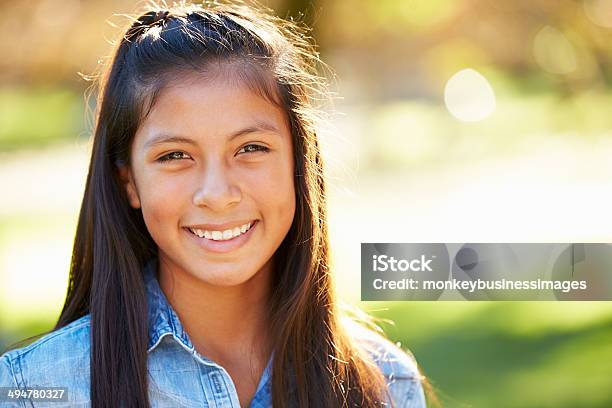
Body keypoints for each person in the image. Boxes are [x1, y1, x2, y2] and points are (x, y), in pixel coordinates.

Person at [0, 1, 427, 407]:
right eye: (174, 156)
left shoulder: (387, 384)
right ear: (129, 182)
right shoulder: (36, 389)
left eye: (251, 148)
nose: (218, 194)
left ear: (300, 163)